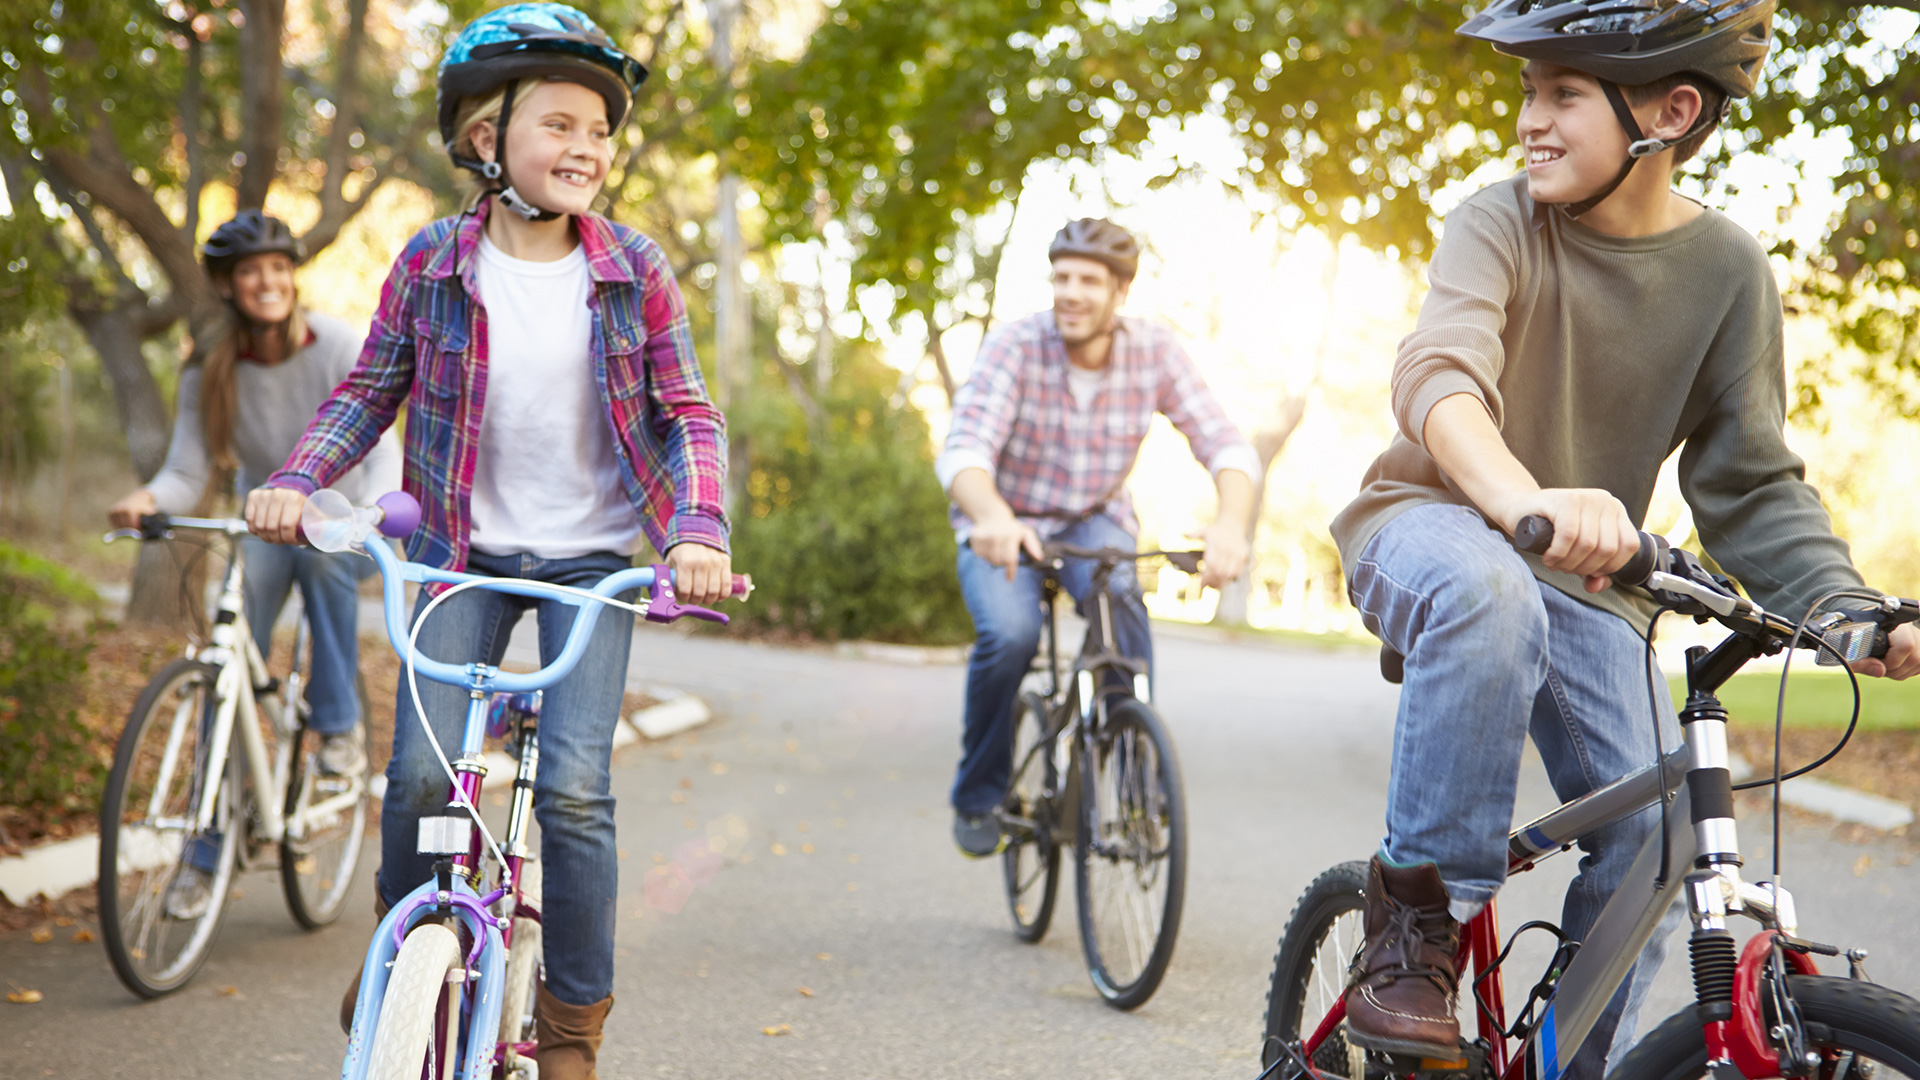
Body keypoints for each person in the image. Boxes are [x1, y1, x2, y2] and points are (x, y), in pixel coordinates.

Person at [1326, 1, 1920, 1075]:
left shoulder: (1729, 272)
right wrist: (1521, 502)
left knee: (1665, 826)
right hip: (1430, 527)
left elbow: (1750, 480)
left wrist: (1845, 606)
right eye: (1528, 93)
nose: (1529, 122)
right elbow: (1440, 378)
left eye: (1562, 94)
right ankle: (1415, 929)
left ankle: (1567, 1060)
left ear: (1670, 111)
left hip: (1585, 580)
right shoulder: (1498, 220)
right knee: (1487, 593)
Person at [244, 6, 730, 1076]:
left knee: (571, 789)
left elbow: (687, 412)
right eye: (560, 124)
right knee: (421, 778)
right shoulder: (430, 262)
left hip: (595, 563)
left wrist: (696, 531)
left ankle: (570, 1026)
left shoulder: (634, 268)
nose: (588, 150)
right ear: (484, 140)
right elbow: (369, 392)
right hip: (461, 552)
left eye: (600, 132)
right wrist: (293, 480)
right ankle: (400, 956)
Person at [108, 210, 400, 919]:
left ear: (291, 275)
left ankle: (338, 733)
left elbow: (380, 436)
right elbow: (187, 470)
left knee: (325, 564)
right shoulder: (209, 368)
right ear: (227, 286)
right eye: (249, 271)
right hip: (263, 527)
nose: (267, 281)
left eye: (277, 267)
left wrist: (373, 511)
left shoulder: (336, 344)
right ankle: (202, 859)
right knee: (221, 669)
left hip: (349, 522)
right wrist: (148, 497)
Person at [937, 217, 1259, 858]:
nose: (1070, 292)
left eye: (1088, 280)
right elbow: (964, 451)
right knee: (1011, 636)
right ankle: (979, 793)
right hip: (1008, 522)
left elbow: (1226, 444)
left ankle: (1137, 784)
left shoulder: (1154, 351)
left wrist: (1230, 524)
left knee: (1122, 613)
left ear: (1121, 293)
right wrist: (993, 516)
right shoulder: (1016, 345)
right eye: (1061, 277)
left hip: (1094, 517)